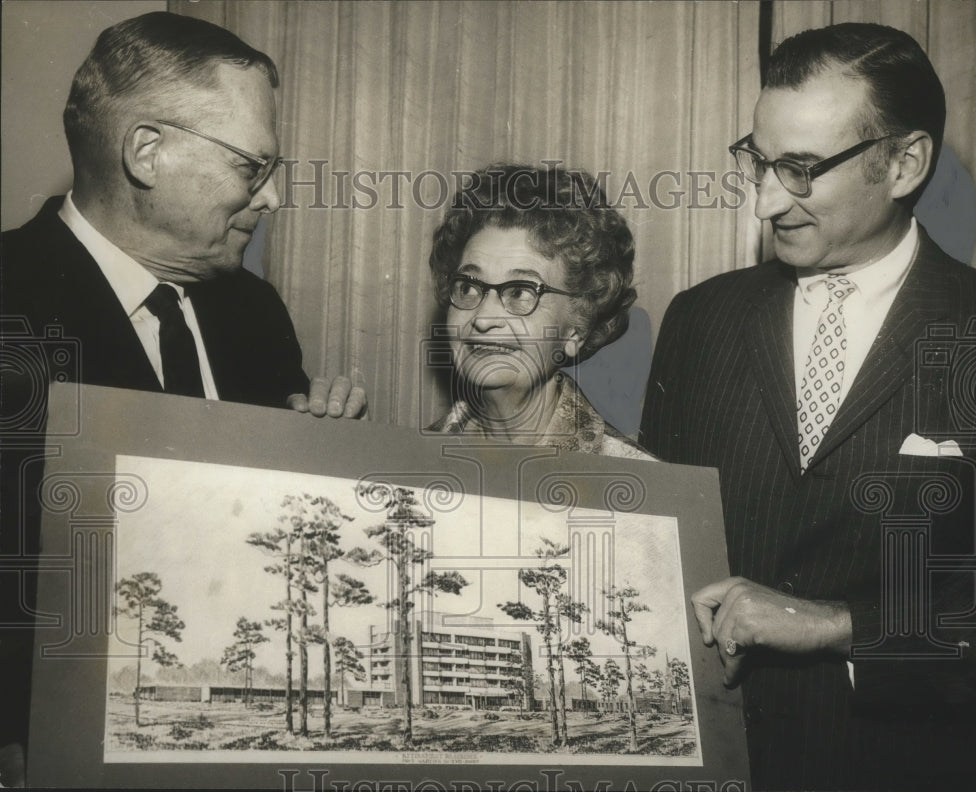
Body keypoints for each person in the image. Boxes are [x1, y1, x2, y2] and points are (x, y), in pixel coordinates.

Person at [0, 12, 364, 784]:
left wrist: (328, 457)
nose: (272, 198)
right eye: (251, 167)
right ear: (146, 152)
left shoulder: (255, 313)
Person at [639, 23, 976, 790]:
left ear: (904, 163)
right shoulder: (699, 320)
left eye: (800, 169)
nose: (767, 201)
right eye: (759, 162)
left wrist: (836, 625)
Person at [427, 164, 653, 460]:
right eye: (469, 287)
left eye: (520, 291)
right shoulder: (414, 461)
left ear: (576, 328)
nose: (482, 319)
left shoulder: (636, 482)